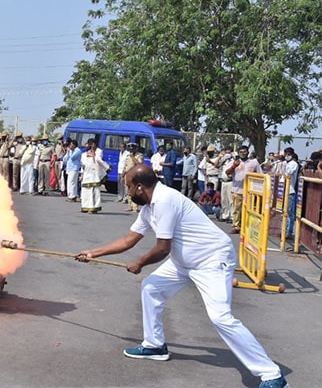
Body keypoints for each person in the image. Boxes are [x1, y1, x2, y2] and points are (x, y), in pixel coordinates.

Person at [75, 165, 289, 388]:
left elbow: (162, 249)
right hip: (183, 262)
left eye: (128, 187)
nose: (127, 192)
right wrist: (92, 253)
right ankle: (154, 346)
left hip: (211, 260)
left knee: (220, 317)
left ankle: (272, 375)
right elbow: (128, 240)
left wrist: (139, 263)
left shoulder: (165, 200)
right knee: (151, 288)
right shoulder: (148, 208)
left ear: (139, 187)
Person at [225, 145, 262, 235]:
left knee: (249, 209)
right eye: (241, 152)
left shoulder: (254, 162)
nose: (243, 153)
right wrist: (234, 166)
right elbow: (227, 172)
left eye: (244, 152)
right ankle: (236, 226)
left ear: (248, 152)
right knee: (237, 209)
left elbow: (260, 174)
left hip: (250, 191)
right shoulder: (234, 162)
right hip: (237, 190)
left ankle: (247, 226)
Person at [80, 139, 110, 213]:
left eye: (92, 144)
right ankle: (85, 207)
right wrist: (82, 174)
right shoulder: (84, 154)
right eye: (90, 144)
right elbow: (83, 164)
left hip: (94, 174)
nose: (91, 146)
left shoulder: (99, 151)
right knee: (85, 191)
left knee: (94, 192)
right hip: (87, 174)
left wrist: (93, 154)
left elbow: (97, 160)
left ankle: (93, 208)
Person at [282, 147, 300, 240]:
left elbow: (289, 173)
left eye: (288, 154)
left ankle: (289, 231)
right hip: (284, 190)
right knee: (285, 212)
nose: (286, 156)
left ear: (291, 155)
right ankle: (284, 230)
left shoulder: (294, 164)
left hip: (291, 191)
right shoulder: (286, 163)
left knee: (290, 213)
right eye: (285, 154)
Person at [123, 142, 144, 212]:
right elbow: (125, 166)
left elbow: (139, 164)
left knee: (134, 191)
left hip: (135, 175)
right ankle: (130, 206)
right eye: (130, 150)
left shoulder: (139, 155)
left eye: (133, 149)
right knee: (128, 191)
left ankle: (135, 207)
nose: (131, 151)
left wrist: (133, 157)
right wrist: (123, 175)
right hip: (128, 175)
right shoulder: (128, 156)